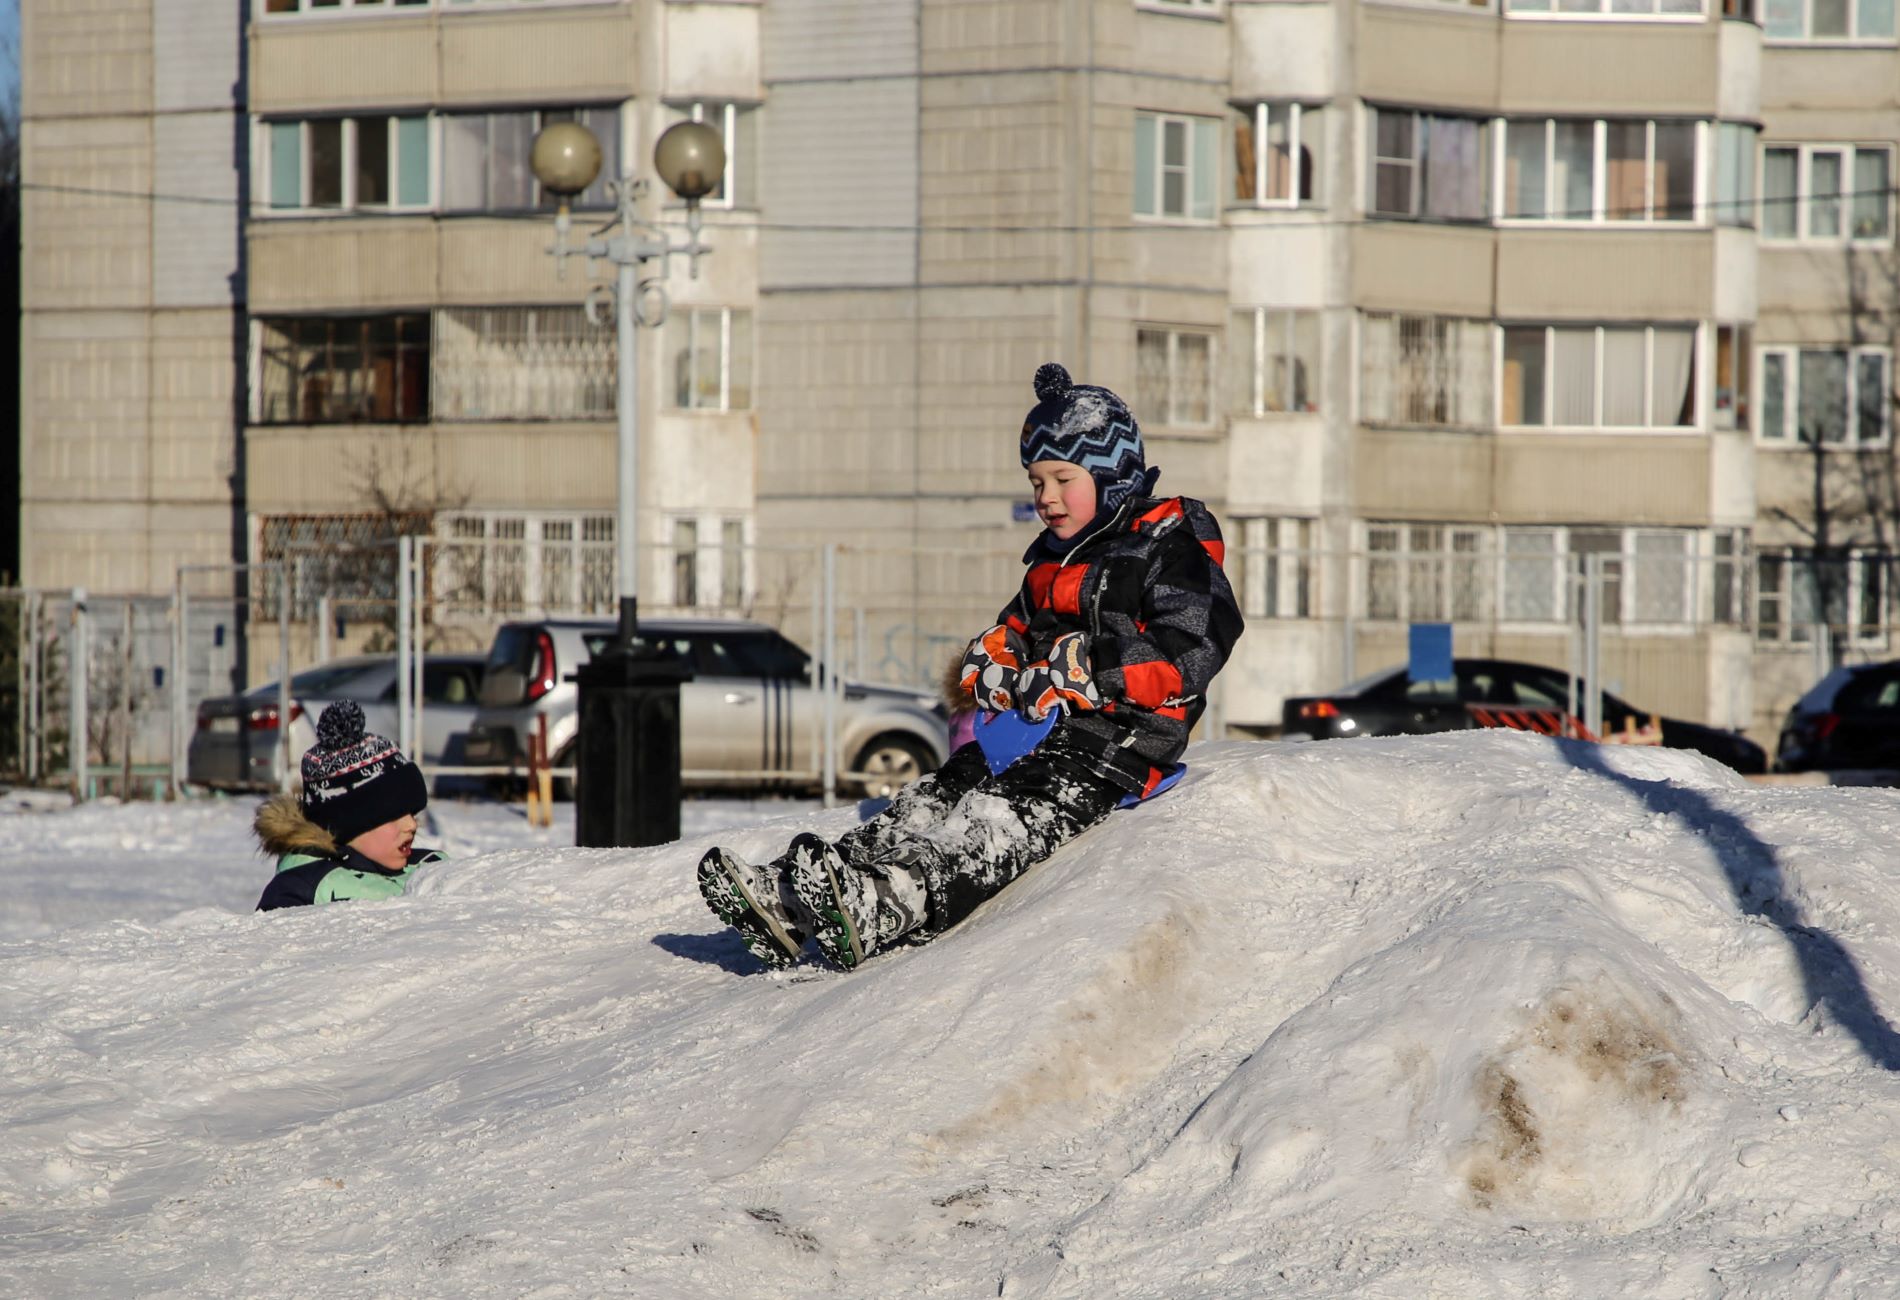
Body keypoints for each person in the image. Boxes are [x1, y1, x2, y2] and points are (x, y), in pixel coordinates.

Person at [697, 360, 1244, 970]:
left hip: (1113, 747)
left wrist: (1088, 666)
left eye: (1063, 478)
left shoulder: (1168, 544)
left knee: (1000, 821)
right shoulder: (1052, 560)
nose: (1047, 498)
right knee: (934, 795)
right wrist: (990, 660)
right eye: (1036, 482)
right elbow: (1013, 630)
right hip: (1031, 734)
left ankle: (892, 899)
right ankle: (800, 899)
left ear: (1112, 474)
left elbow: (1195, 645)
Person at [253, 699, 442, 912]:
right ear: (348, 823)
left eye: (411, 812)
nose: (411, 824)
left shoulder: (433, 866)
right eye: (393, 815)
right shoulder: (302, 889)